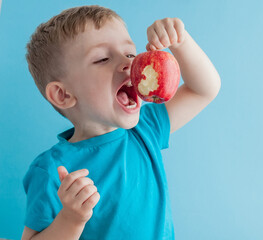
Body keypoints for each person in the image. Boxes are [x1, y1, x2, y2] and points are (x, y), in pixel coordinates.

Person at [21, 5, 220, 240]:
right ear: (63, 95)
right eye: (103, 59)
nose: (129, 64)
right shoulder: (51, 169)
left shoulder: (145, 130)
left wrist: (180, 41)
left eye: (129, 54)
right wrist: (71, 219)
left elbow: (204, 89)